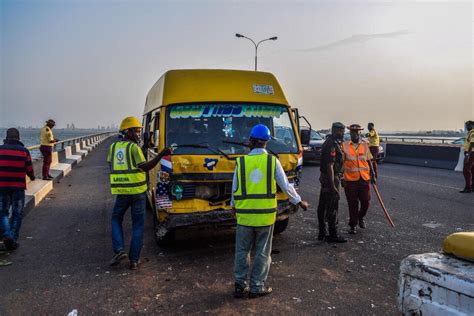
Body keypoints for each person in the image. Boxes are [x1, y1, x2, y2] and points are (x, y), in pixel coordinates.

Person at [232, 124, 309, 299]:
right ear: (266, 143)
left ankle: (239, 285)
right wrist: (299, 201)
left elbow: (234, 187)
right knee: (262, 253)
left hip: (244, 216)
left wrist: (232, 206)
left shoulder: (241, 162)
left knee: (242, 251)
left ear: (251, 141)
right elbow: (286, 185)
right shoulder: (272, 162)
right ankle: (256, 287)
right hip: (265, 217)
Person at [107, 116, 171, 270]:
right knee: (138, 225)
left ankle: (119, 250)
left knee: (116, 219)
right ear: (127, 132)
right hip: (138, 192)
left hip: (121, 192)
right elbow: (145, 167)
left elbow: (111, 166)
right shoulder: (134, 148)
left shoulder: (113, 148)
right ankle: (134, 261)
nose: (138, 134)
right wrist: (162, 154)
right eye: (135, 131)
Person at [0, 128, 35, 250]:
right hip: (18, 187)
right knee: (17, 213)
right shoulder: (24, 151)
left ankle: (7, 235)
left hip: (2, 186)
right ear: (19, 137)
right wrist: (32, 176)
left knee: (3, 212)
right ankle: (13, 239)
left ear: (7, 137)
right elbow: (29, 169)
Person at [342, 124, 376, 234]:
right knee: (353, 204)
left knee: (366, 202)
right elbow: (340, 163)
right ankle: (353, 225)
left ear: (359, 133)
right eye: (352, 132)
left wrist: (373, 173)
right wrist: (341, 177)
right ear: (350, 134)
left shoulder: (365, 145)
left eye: (356, 132)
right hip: (350, 181)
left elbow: (369, 160)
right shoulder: (345, 146)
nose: (354, 134)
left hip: (364, 179)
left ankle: (360, 217)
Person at [316, 122, 347, 243]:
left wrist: (342, 177)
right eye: (341, 131)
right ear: (334, 130)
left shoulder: (332, 142)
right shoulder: (331, 144)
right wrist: (333, 185)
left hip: (330, 178)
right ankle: (333, 234)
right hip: (330, 179)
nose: (343, 133)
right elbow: (330, 165)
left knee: (323, 205)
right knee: (332, 206)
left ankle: (322, 232)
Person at [460, 120, 474, 193]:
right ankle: (472, 187)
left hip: (471, 153)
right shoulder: (470, 133)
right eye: (466, 125)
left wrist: (467, 154)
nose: (467, 127)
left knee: (466, 170)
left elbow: (472, 144)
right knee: (472, 170)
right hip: (471, 153)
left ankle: (468, 188)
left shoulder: (472, 133)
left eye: (468, 125)